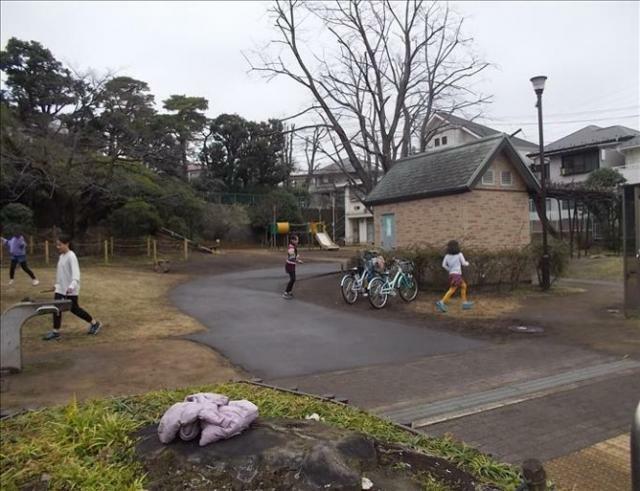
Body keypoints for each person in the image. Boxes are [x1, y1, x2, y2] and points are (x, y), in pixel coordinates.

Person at [42, 234, 102, 340]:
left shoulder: (71, 256)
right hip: (61, 289)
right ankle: (55, 332)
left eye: (60, 245)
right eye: (57, 245)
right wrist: (56, 286)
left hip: (70, 290)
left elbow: (76, 275)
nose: (58, 247)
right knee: (56, 309)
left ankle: (95, 323)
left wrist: (71, 287)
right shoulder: (61, 257)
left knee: (75, 309)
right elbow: (61, 274)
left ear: (67, 244)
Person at [435, 240, 474, 312]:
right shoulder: (459, 254)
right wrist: (468, 263)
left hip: (452, 274)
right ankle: (441, 302)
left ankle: (464, 303)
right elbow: (463, 263)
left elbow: (443, 265)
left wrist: (449, 269)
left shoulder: (447, 256)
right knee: (452, 289)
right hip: (457, 275)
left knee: (464, 286)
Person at [282, 235, 303, 299]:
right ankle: (286, 292)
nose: (297, 241)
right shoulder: (291, 248)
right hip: (290, 265)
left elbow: (293, 257)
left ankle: (289, 291)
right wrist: (298, 260)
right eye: (296, 240)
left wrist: (297, 259)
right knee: (293, 279)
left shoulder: (293, 247)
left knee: (293, 279)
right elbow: (292, 258)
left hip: (291, 265)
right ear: (292, 240)